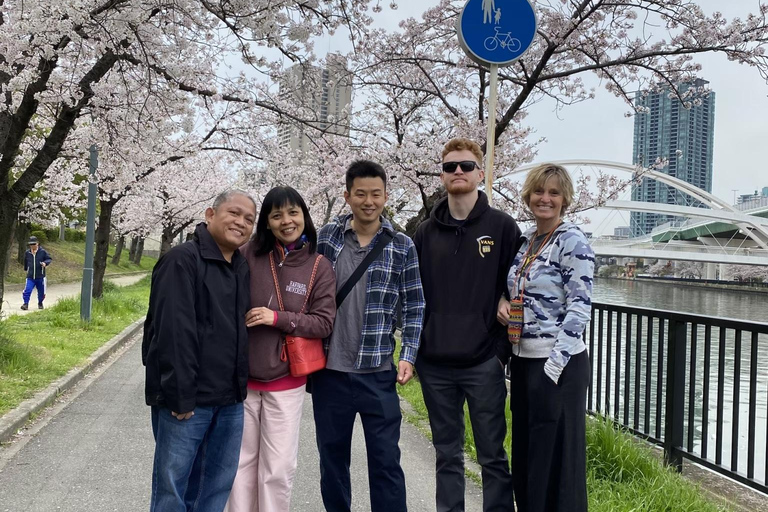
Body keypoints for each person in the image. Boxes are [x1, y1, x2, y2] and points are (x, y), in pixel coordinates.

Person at [413, 138, 521, 512]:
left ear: (480, 172)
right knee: (447, 455)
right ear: (442, 175)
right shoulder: (425, 233)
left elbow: (519, 285)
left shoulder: (503, 227)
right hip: (436, 363)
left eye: (465, 165)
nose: (457, 171)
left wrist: (499, 354)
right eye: (449, 167)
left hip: (483, 362)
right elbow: (412, 294)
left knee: (492, 455)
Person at [312, 160, 425, 512]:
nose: (368, 201)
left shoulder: (402, 245)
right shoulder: (327, 238)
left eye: (376, 194)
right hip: (329, 372)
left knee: (386, 462)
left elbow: (415, 305)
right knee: (332, 463)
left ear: (386, 196)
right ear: (347, 196)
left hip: (377, 372)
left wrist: (408, 354)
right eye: (360, 193)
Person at [142, 189, 257, 512]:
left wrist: (239, 390)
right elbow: (171, 333)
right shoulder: (182, 260)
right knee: (173, 490)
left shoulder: (239, 267)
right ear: (210, 214)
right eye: (234, 213)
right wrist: (180, 395)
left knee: (214, 488)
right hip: (188, 402)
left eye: (249, 219)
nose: (241, 222)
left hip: (229, 400)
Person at [226, 187, 336, 512]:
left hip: (286, 383)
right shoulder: (248, 254)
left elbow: (323, 323)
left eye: (293, 213)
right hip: (243, 381)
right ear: (267, 221)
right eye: (277, 215)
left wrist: (278, 318)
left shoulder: (319, 266)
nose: (286, 221)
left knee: (277, 469)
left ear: (304, 216)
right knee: (240, 466)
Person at [501, 164, 594, 512]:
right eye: (539, 191)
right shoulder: (528, 241)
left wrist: (553, 367)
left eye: (554, 193)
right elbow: (514, 288)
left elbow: (579, 308)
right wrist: (503, 303)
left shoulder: (572, 241)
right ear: (528, 195)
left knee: (558, 460)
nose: (545, 198)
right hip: (524, 361)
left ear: (565, 199)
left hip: (558, 365)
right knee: (528, 454)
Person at [21, 236, 51, 310]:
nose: (32, 246)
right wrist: (26, 269)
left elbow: (49, 258)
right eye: (31, 244)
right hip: (30, 276)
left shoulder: (42, 252)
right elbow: (26, 261)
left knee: (41, 292)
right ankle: (25, 304)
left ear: (37, 244)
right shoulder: (27, 252)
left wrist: (45, 263)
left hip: (40, 276)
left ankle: (40, 303)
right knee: (27, 290)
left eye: (34, 244)